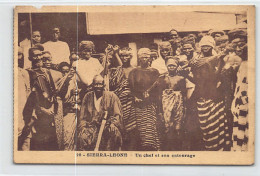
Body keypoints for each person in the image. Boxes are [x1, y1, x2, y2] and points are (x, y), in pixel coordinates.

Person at [189, 36, 231, 151]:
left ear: (212, 46)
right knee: (205, 127)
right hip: (201, 96)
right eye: (203, 45)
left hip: (214, 96)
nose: (205, 47)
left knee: (217, 125)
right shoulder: (195, 61)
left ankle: (219, 149)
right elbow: (196, 80)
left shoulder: (218, 59)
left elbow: (220, 77)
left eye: (208, 45)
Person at [23, 44, 64, 150]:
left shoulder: (47, 72)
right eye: (35, 56)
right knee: (39, 144)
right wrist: (41, 109)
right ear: (29, 58)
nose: (38, 58)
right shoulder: (28, 73)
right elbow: (29, 97)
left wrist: (51, 108)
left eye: (40, 55)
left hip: (49, 113)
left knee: (52, 143)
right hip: (37, 114)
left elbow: (53, 91)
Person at [78, 75, 123, 151]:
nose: (98, 86)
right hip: (91, 126)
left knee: (114, 132)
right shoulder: (87, 96)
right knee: (83, 136)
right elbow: (82, 117)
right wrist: (83, 127)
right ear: (92, 85)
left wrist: (113, 123)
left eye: (100, 84)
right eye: (96, 84)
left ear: (104, 85)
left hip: (107, 126)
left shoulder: (111, 96)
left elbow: (117, 114)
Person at [150, 57, 187, 151]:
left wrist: (185, 108)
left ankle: (178, 147)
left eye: (173, 65)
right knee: (167, 126)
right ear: (166, 66)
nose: (171, 67)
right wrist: (160, 110)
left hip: (179, 103)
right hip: (166, 103)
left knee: (178, 125)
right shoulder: (162, 78)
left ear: (177, 66)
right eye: (169, 65)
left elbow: (184, 94)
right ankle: (167, 147)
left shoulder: (181, 78)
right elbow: (159, 95)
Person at [128, 48, 161, 151]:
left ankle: (151, 148)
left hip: (150, 104)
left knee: (150, 128)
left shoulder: (154, 71)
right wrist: (135, 97)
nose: (145, 59)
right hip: (138, 105)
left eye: (147, 57)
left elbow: (158, 89)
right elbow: (130, 87)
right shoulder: (134, 71)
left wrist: (150, 97)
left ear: (150, 58)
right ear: (139, 58)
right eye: (142, 57)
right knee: (140, 128)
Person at [18, 46, 31, 150]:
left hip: (23, 119)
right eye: (16, 54)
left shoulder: (23, 73)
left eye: (20, 54)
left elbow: (28, 96)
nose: (18, 57)